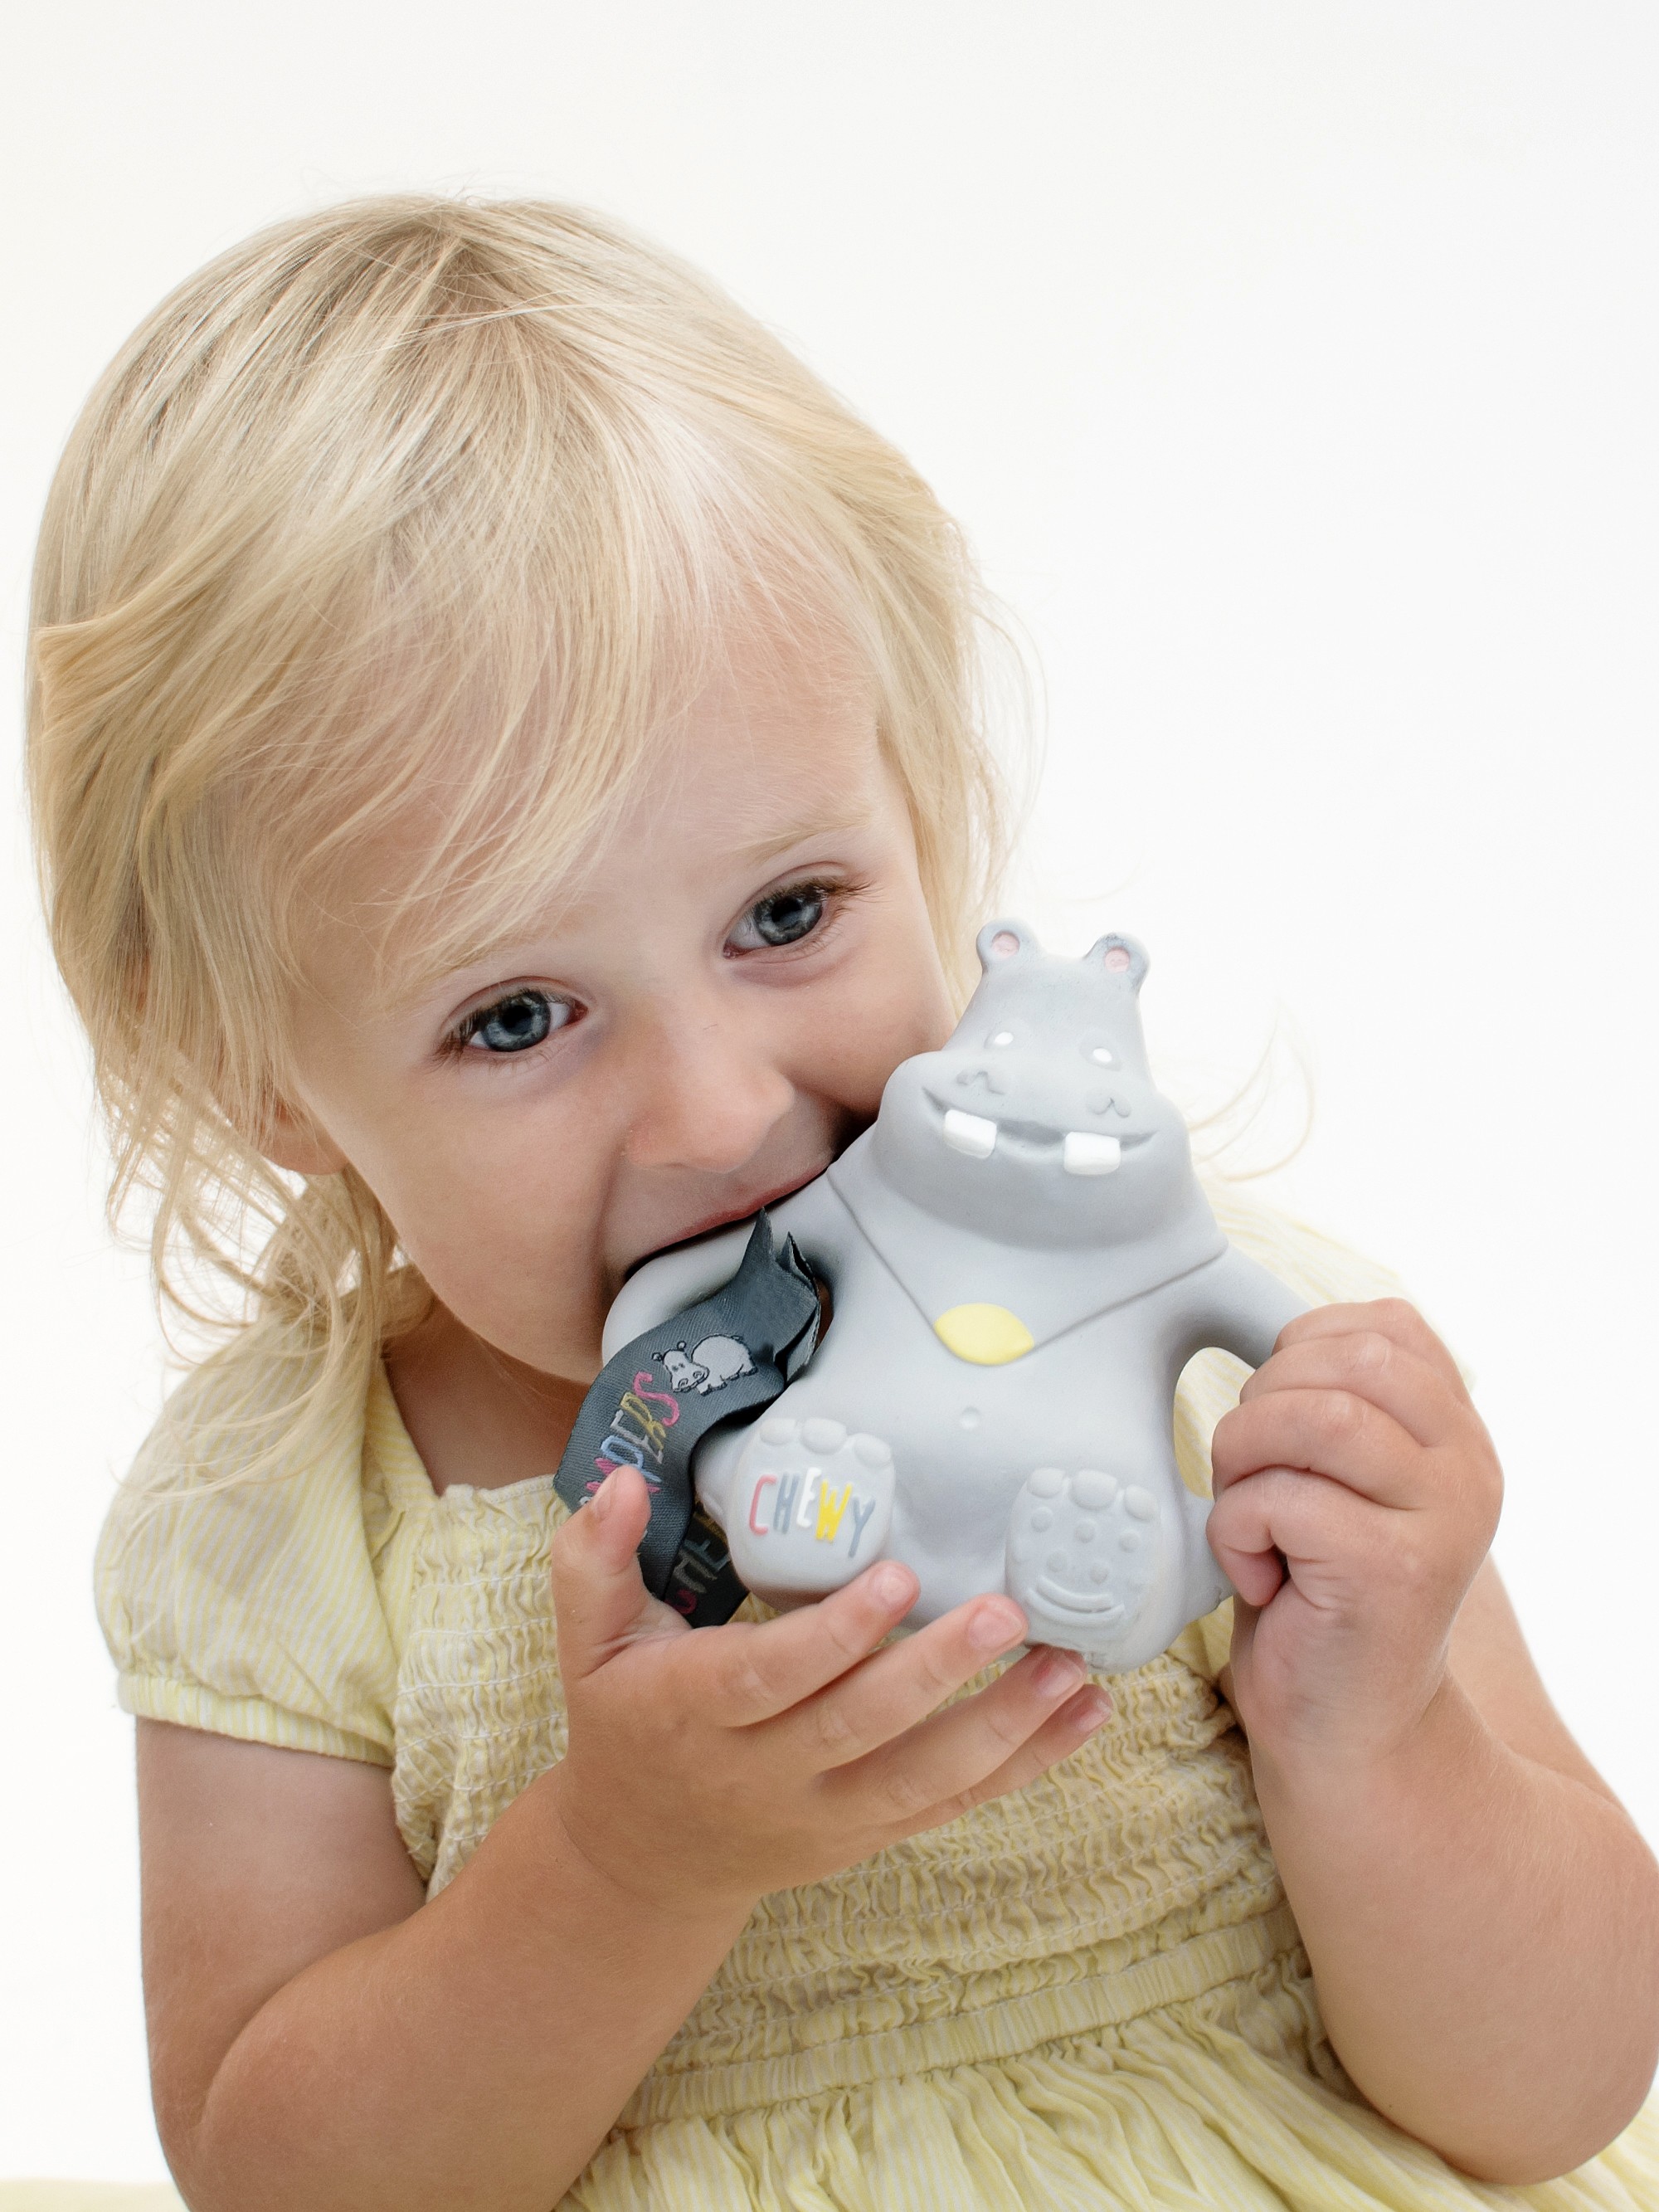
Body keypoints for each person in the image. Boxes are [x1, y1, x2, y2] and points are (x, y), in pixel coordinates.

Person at [25, 195, 1659, 2212]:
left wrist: (1375, 1729)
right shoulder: (288, 1514)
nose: (722, 1110)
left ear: (921, 806)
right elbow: (289, 2184)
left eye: (787, 911)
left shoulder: (1223, 1374)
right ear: (264, 1073)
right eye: (516, 1014)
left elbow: (1554, 2086)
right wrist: (623, 1865)